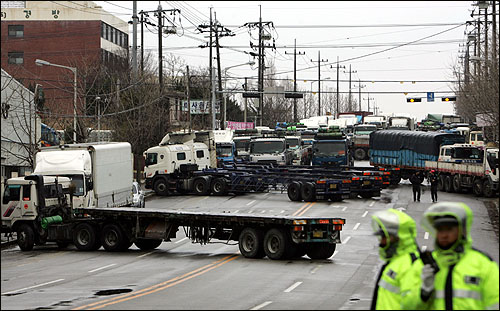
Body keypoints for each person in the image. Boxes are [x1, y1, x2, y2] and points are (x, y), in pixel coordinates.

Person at [401, 202, 499, 310]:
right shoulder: (423, 265)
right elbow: (406, 306)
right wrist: (424, 292)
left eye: (449, 229)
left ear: (462, 231)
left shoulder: (484, 265)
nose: (444, 235)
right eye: (440, 230)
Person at [370, 208, 419, 310]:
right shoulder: (394, 262)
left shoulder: (411, 265)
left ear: (399, 237)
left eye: (385, 237)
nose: (381, 242)